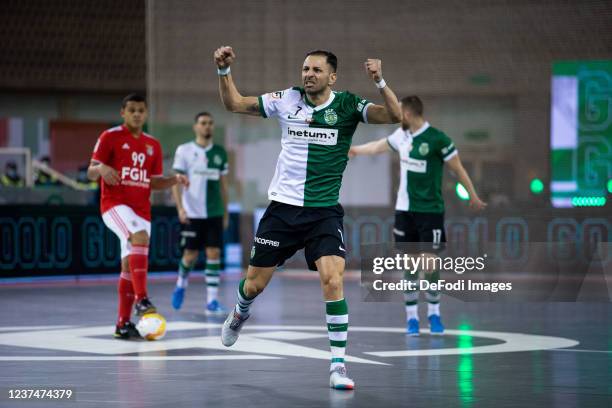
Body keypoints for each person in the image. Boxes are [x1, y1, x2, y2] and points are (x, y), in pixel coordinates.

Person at [213, 45, 402, 389]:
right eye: (305, 69)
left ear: (332, 76)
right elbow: (235, 104)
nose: (308, 75)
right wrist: (224, 72)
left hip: (324, 212)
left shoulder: (347, 105)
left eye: (316, 70)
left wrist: (380, 81)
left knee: (333, 280)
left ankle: (338, 366)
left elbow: (394, 115)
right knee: (254, 284)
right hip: (282, 211)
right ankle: (240, 311)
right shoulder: (287, 99)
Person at [349, 95, 486, 336]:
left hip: (431, 211)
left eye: (398, 112)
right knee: (410, 264)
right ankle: (412, 317)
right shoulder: (401, 136)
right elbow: (378, 146)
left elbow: (458, 169)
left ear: (409, 114)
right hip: (405, 211)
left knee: (430, 263)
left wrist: (472, 195)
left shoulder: (437, 139)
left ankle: (434, 313)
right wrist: (356, 151)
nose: (395, 115)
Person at [87, 93, 189, 339]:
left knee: (127, 266)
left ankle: (122, 325)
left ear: (146, 113)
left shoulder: (152, 145)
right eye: (131, 110)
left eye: (140, 110)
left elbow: (153, 183)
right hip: (114, 205)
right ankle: (142, 300)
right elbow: (91, 172)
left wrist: (174, 180)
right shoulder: (109, 137)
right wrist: (101, 168)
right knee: (139, 237)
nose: (136, 114)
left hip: (142, 210)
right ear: (123, 112)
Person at [171, 111, 229, 315]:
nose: (207, 126)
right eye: (203, 123)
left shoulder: (220, 153)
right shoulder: (184, 151)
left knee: (214, 253)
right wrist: (180, 208)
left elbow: (224, 186)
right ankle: (181, 284)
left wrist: (225, 212)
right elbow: (176, 183)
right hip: (192, 213)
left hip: (213, 212)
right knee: (190, 255)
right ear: (195, 126)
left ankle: (212, 301)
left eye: (210, 123)